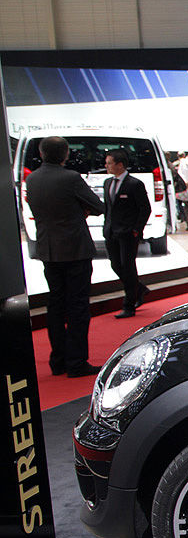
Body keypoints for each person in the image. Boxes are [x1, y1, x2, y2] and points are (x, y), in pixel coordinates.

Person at [25, 135, 104, 376]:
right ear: (66, 153)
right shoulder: (70, 178)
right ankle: (76, 362)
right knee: (78, 306)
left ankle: (58, 360)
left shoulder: (32, 178)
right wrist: (81, 210)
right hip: (75, 250)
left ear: (41, 153)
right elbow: (98, 206)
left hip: (48, 250)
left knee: (56, 305)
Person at [102, 148, 151, 318]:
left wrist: (137, 229)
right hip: (111, 231)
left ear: (120, 165)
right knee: (116, 265)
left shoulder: (134, 184)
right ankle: (139, 289)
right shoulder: (107, 183)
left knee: (128, 267)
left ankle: (129, 304)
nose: (106, 166)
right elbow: (108, 208)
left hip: (128, 233)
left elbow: (145, 208)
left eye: (109, 163)